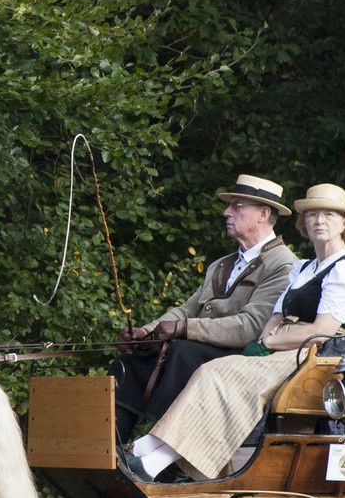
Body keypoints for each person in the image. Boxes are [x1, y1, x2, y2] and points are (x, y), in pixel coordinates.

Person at [122, 183, 345, 483]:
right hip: (289, 346)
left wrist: (268, 341)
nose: (319, 221)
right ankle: (145, 448)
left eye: (329, 215)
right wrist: (266, 339)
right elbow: (276, 314)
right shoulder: (304, 268)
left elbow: (320, 332)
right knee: (212, 370)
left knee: (228, 380)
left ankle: (154, 461)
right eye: (313, 214)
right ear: (303, 223)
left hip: (319, 357)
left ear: (344, 224)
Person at [112, 175, 298, 445]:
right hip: (202, 348)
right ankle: (111, 447)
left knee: (180, 352)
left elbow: (251, 327)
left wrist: (185, 329)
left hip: (242, 356)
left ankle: (162, 450)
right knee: (130, 359)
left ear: (263, 213)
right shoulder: (221, 264)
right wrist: (145, 333)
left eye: (236, 206)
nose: (226, 212)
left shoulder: (283, 265)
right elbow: (186, 310)